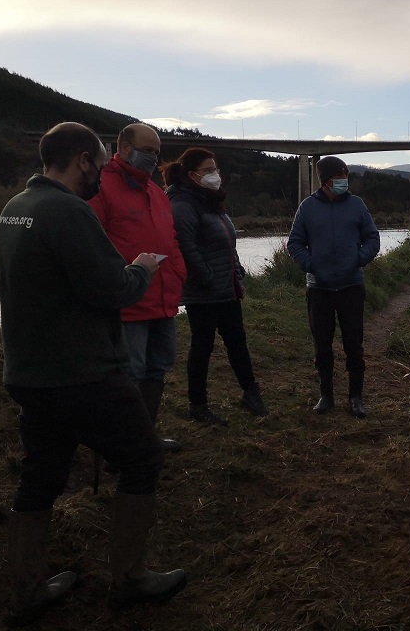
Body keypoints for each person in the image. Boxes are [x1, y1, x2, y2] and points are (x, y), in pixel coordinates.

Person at [0, 122, 186, 625]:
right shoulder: (69, 212)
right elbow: (113, 289)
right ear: (83, 159)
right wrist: (142, 269)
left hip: (29, 372)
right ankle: (129, 580)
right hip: (83, 373)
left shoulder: (15, 210)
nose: (102, 172)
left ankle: (28, 589)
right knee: (143, 459)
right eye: (99, 162)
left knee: (40, 477)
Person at [89, 123, 187, 453]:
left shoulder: (156, 193)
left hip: (163, 300)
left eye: (157, 152)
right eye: (148, 150)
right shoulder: (101, 187)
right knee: (130, 374)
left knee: (158, 368)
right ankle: (124, 445)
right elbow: (93, 245)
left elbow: (169, 241)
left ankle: (145, 438)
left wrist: (179, 275)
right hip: (129, 303)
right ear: (125, 148)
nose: (153, 157)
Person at [163, 147, 268, 426]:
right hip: (204, 291)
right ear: (192, 175)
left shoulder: (211, 201)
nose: (215, 175)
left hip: (226, 286)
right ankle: (198, 404)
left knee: (237, 341)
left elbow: (227, 241)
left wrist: (236, 269)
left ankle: (250, 392)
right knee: (202, 346)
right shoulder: (183, 203)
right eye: (208, 170)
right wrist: (207, 276)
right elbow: (185, 245)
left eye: (215, 169)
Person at [287, 156, 380, 417]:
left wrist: (358, 260)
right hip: (319, 289)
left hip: (351, 286)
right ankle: (326, 396)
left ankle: (356, 398)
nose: (344, 180)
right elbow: (294, 243)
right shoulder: (307, 208)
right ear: (326, 180)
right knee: (322, 344)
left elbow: (372, 237)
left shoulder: (357, 205)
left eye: (345, 175)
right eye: (339, 176)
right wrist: (311, 264)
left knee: (354, 343)